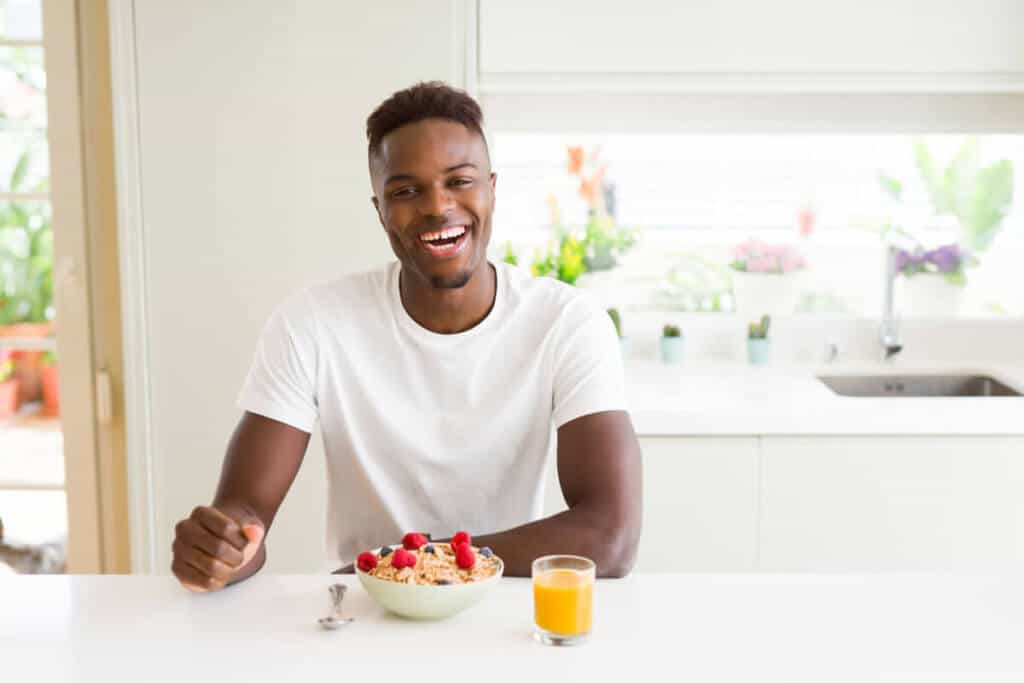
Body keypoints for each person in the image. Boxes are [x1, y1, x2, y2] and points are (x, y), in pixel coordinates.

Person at [170, 82, 642, 592]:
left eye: (459, 181)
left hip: (503, 605)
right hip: (363, 611)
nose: (438, 207)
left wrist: (404, 565)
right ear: (379, 211)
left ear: (491, 190)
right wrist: (222, 550)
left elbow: (609, 535)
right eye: (405, 191)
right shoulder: (312, 322)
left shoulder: (566, 322)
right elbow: (246, 513)